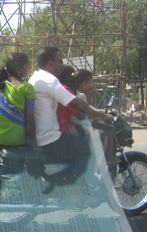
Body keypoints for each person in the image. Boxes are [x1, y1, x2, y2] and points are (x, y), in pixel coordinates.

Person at [28, 46, 113, 188]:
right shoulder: (50, 81)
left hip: (40, 136)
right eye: (59, 61)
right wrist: (102, 115)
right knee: (88, 150)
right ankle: (79, 189)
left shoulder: (35, 77)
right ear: (50, 63)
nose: (61, 64)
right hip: (50, 138)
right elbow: (77, 104)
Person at [0, 52, 37, 149]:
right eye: (28, 66)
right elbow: (30, 121)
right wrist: (35, 146)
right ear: (18, 69)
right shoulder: (28, 88)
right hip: (13, 138)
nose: (30, 69)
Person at [56, 65, 88, 138]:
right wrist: (99, 115)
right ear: (68, 77)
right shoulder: (66, 90)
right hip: (66, 128)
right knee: (99, 133)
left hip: (58, 126)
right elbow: (80, 116)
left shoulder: (57, 87)